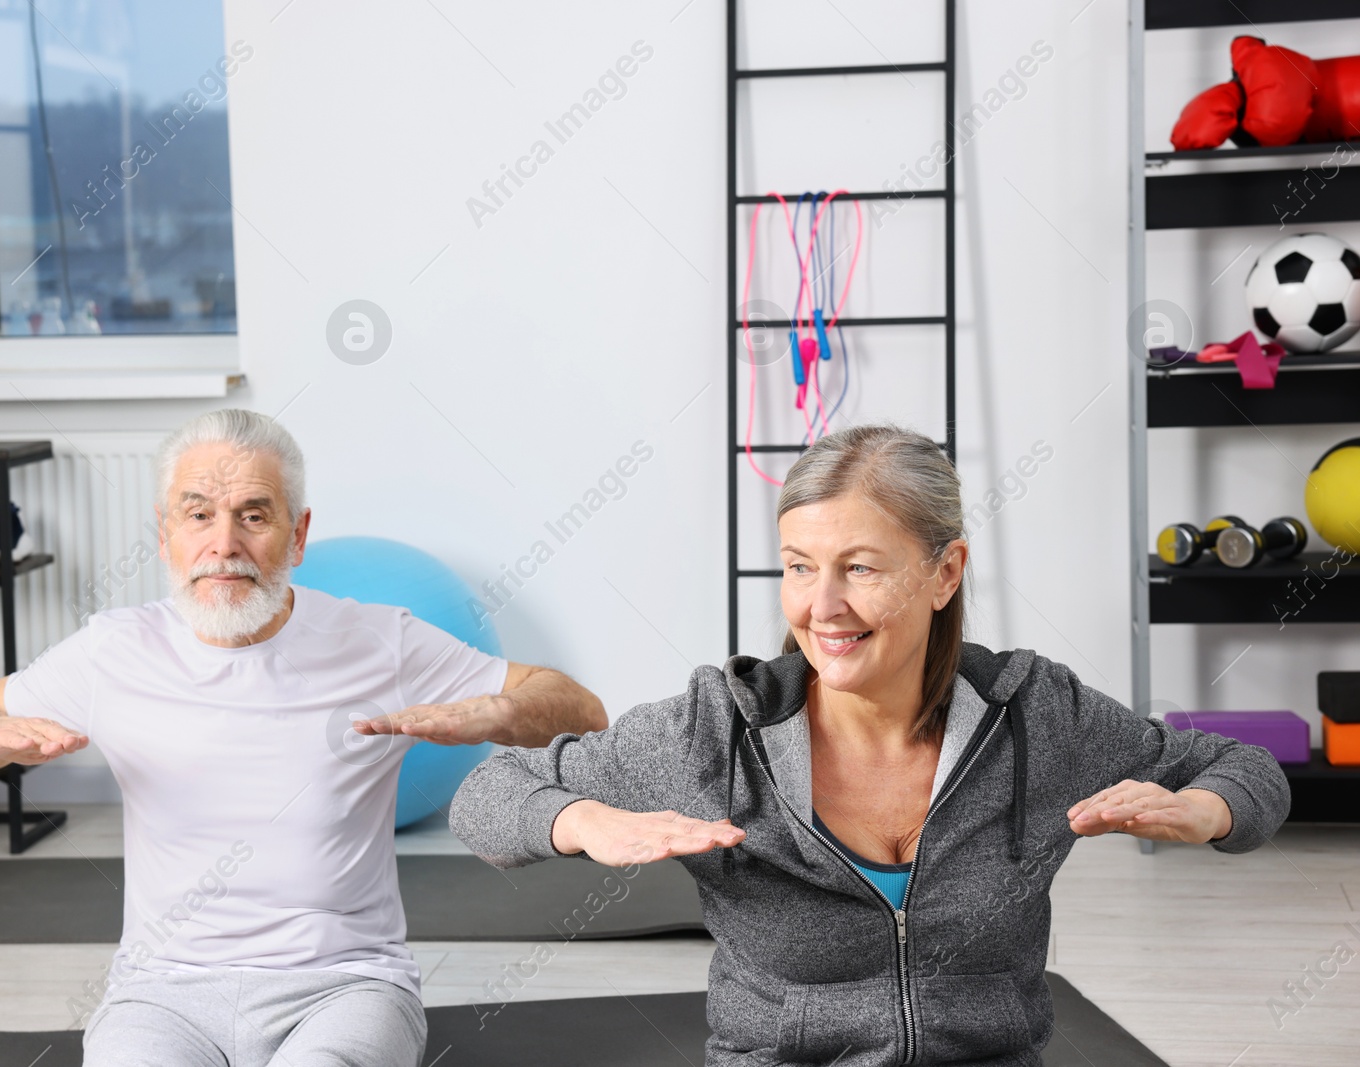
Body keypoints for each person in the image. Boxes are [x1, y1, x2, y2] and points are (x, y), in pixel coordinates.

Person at [449, 423, 1291, 1067]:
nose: (821, 606)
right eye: (799, 566)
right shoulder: (717, 729)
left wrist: (1204, 810)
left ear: (945, 572)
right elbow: (484, 800)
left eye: (860, 567)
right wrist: (586, 820)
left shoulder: (1034, 712)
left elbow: (1246, 767)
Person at [0, 407, 607, 1067]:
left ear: (298, 534)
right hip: (161, 994)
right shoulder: (114, 650)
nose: (224, 544)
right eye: (199, 516)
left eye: (253, 515)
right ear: (165, 536)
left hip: (345, 986)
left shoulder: (381, 638)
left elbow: (579, 708)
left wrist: (494, 714)